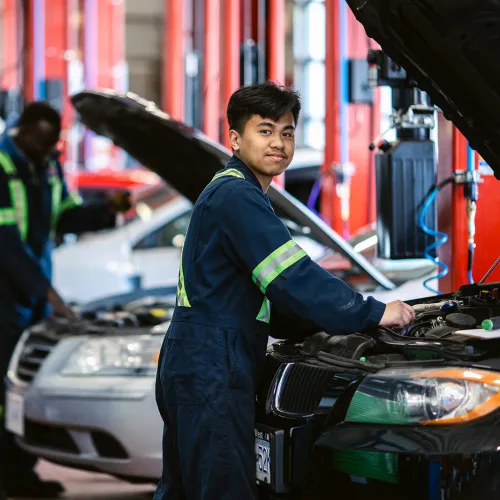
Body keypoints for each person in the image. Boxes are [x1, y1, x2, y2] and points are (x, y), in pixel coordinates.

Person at [154, 81, 415, 500]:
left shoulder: (230, 192)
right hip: (213, 363)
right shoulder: (237, 196)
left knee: (187, 487)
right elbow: (292, 276)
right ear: (235, 139)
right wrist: (371, 312)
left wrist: (316, 327)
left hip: (199, 357)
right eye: (265, 130)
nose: (278, 142)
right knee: (223, 489)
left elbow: (265, 297)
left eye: (287, 132)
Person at [0, 102, 131, 498]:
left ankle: (19, 473)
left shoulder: (48, 166)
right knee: (4, 389)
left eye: (51, 144)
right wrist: (51, 295)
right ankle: (10, 476)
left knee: (20, 387)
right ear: (21, 132)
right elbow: (5, 246)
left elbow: (66, 218)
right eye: (39, 143)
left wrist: (106, 210)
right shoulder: (1, 167)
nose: (46, 151)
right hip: (4, 294)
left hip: (31, 294)